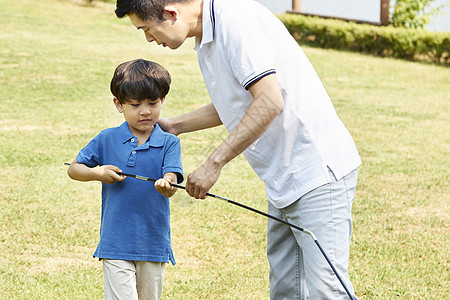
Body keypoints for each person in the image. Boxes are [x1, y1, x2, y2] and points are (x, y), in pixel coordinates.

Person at [114, 0, 362, 299]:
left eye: (147, 29)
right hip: (283, 178)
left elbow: (268, 102)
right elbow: (235, 103)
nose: (149, 39)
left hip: (317, 173)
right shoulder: (207, 36)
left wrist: (213, 164)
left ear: (170, 13)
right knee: (287, 289)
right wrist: (174, 126)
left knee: (327, 292)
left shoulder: (237, 22)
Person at [67, 58, 183, 300]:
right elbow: (74, 169)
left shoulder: (169, 142)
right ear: (118, 104)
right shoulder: (106, 138)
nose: (145, 111)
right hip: (115, 241)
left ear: (163, 100)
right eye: (135, 104)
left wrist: (167, 183)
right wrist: (96, 173)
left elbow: (172, 176)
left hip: (153, 242)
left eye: (153, 103)